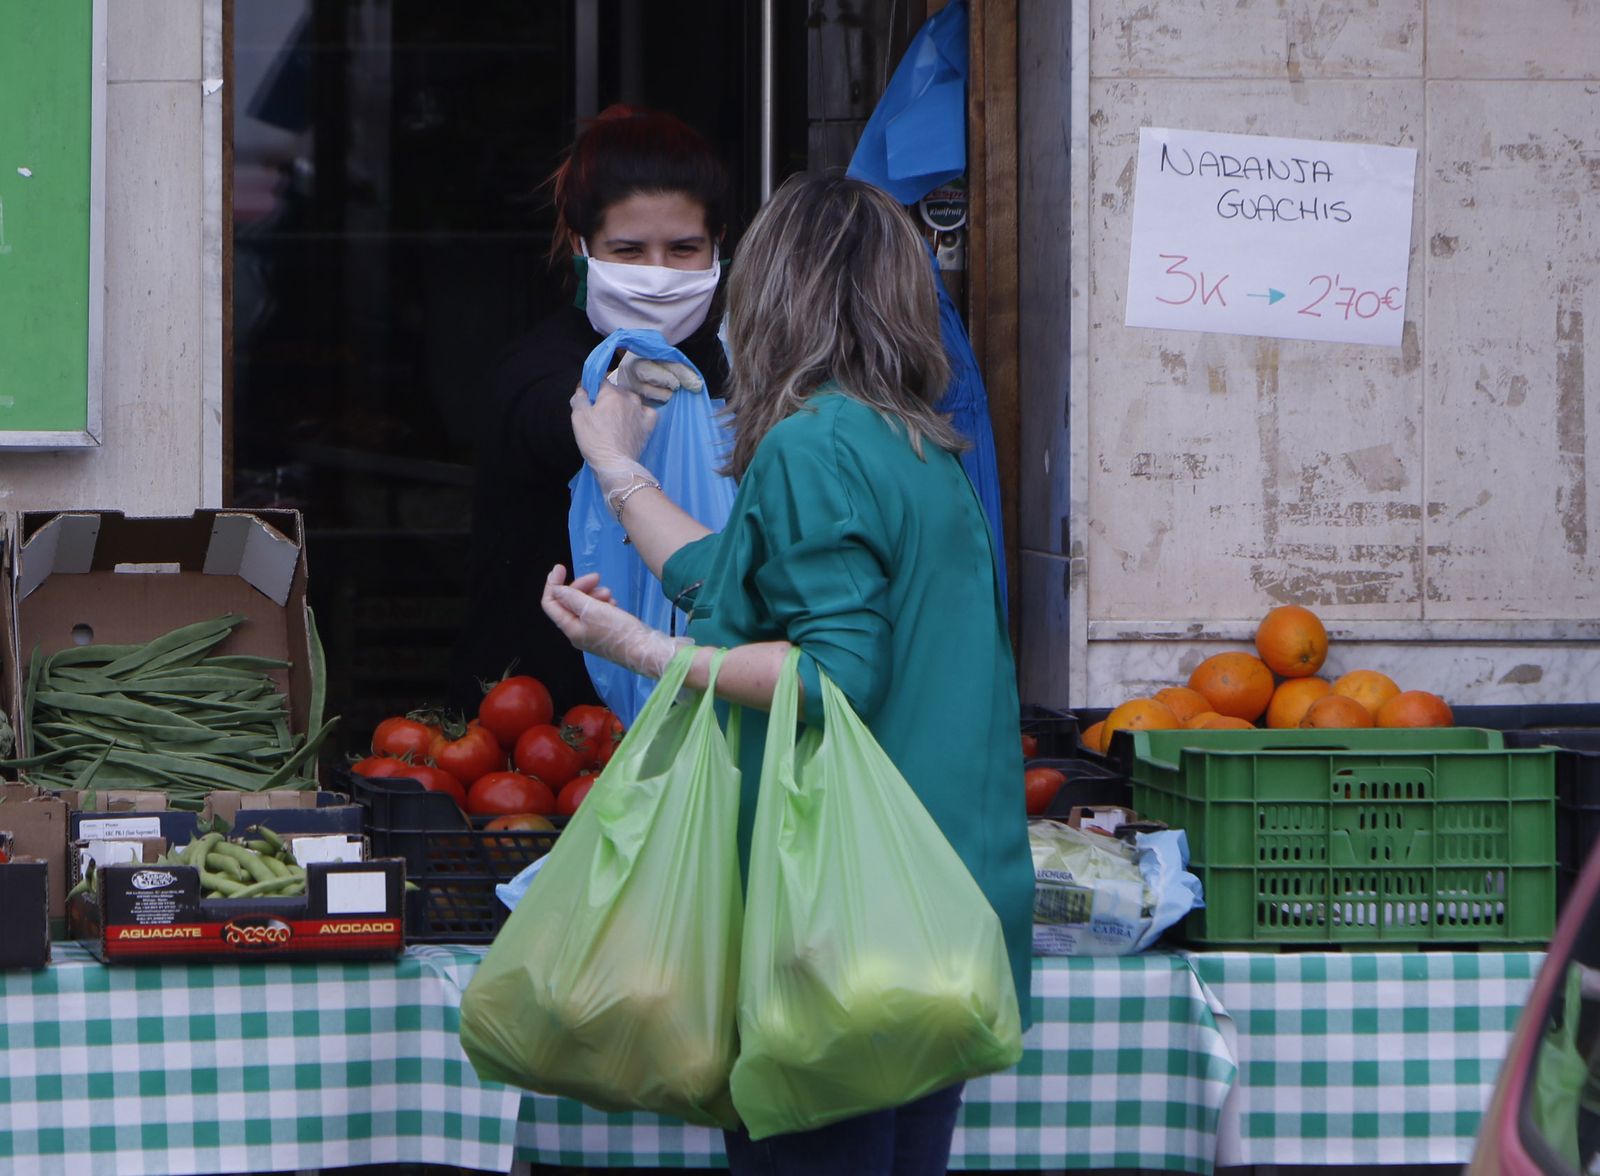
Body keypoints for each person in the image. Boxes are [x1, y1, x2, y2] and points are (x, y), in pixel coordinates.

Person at [541, 173, 1035, 1175]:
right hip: (934, 897)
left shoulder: (811, 446)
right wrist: (618, 469)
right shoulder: (910, 440)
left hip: (838, 912)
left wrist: (644, 652)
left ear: (770, 293)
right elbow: (735, 574)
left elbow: (831, 673)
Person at [449, 105, 731, 716]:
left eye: (684, 248)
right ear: (582, 246)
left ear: (718, 247)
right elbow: (545, 416)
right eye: (628, 250)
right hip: (549, 726)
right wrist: (604, 399)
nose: (657, 274)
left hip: (712, 707)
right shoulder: (536, 367)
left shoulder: (740, 363)